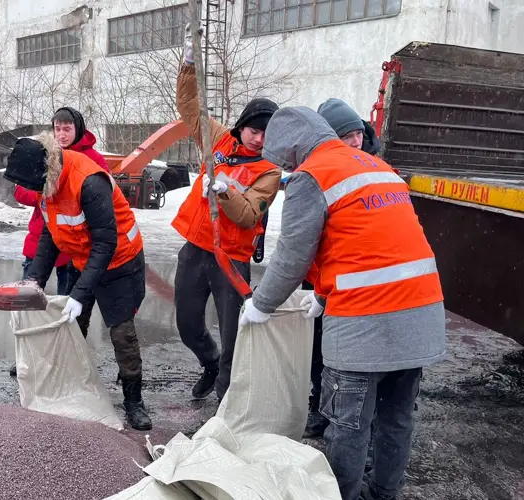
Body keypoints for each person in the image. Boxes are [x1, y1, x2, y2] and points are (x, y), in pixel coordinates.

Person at [240, 106, 446, 500]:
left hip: (364, 324)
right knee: (396, 420)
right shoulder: (375, 166)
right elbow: (368, 243)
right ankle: (383, 494)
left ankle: (343, 496)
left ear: (293, 148)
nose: (285, 166)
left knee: (347, 428)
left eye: (283, 158)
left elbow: (293, 255)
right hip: (420, 315)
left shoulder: (311, 175)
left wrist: (262, 304)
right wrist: (320, 295)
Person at [3, 132, 152, 431]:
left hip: (119, 261)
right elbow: (50, 234)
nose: (32, 192)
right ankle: (68, 379)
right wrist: (35, 279)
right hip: (85, 258)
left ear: (45, 171)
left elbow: (105, 243)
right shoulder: (48, 182)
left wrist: (80, 293)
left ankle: (134, 400)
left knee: (122, 333)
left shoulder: (88, 181)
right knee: (72, 325)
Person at [171, 24, 281, 402]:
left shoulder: (269, 170)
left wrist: (227, 191)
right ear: (243, 126)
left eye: (267, 133)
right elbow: (189, 106)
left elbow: (250, 215)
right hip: (196, 248)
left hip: (231, 260)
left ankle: (225, 403)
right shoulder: (218, 139)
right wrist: (188, 63)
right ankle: (209, 361)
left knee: (234, 334)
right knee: (186, 324)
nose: (259, 138)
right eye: (254, 129)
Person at [8, 106, 110, 377]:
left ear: (78, 129)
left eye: (67, 129)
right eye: (57, 128)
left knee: (70, 307)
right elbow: (20, 190)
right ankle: (26, 357)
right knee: (29, 302)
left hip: (76, 245)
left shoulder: (93, 160)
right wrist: (46, 193)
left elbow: (102, 197)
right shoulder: (42, 152)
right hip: (41, 237)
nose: (61, 134)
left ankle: (64, 358)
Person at [303, 98, 383, 438]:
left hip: (353, 282)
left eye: (358, 135)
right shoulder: (317, 169)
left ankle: (356, 423)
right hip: (319, 279)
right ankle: (318, 407)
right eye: (345, 136)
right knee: (317, 351)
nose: (354, 142)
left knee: (349, 358)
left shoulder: (375, 170)